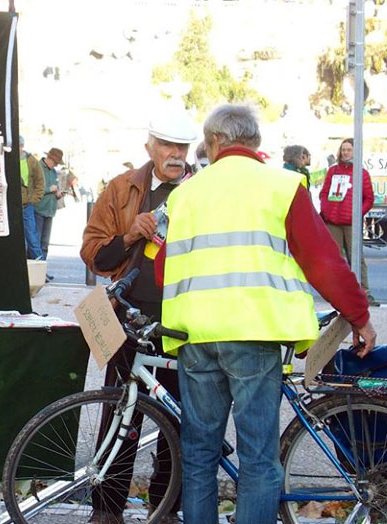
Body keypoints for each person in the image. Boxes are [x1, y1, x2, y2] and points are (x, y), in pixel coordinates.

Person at [156, 104, 376, 524]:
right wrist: (358, 315)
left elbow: (165, 266)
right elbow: (323, 261)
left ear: (215, 142)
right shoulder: (281, 185)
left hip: (196, 337)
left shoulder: (184, 194)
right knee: (258, 458)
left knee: (200, 455)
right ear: (254, 142)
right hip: (254, 335)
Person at [80, 105, 198, 524]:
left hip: (186, 315)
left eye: (182, 146)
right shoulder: (122, 188)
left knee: (179, 414)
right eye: (167, 144)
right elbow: (94, 255)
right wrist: (130, 234)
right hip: (129, 315)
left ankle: (164, 507)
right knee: (120, 413)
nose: (175, 153)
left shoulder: (204, 188)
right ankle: (107, 509)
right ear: (149, 145)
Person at [319, 138, 377, 305]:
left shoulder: (361, 173)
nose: (345, 153)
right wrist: (326, 210)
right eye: (343, 149)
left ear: (355, 152)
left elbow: (369, 198)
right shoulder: (333, 171)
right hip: (333, 221)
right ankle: (336, 293)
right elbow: (324, 192)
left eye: (349, 150)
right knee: (334, 257)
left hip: (351, 222)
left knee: (356, 258)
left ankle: (364, 291)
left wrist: (356, 214)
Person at [34, 147, 64, 263]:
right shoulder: (38, 168)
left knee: (45, 244)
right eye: (55, 163)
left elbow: (54, 188)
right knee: (36, 242)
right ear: (49, 159)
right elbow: (33, 189)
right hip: (38, 210)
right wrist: (49, 189)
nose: (56, 165)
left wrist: (58, 194)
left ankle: (42, 270)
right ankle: (35, 269)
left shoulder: (53, 172)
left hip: (50, 211)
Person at [18, 136, 44, 259]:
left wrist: (34, 200)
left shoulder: (31, 160)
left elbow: (40, 182)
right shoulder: (7, 159)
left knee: (31, 237)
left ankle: (40, 265)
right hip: (12, 205)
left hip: (26, 204)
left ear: (22, 146)